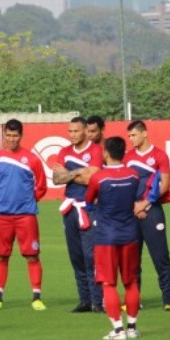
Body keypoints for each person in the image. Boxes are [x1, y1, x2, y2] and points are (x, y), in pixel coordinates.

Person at [0, 119, 48, 311]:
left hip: (25, 216)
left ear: (21, 136)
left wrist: (27, 202)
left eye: (15, 136)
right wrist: (4, 202)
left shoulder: (32, 159)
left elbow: (41, 186)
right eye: (9, 135)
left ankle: (36, 297)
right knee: (2, 256)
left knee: (32, 256)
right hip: (2, 216)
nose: (12, 139)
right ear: (4, 135)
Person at [85, 136, 141, 340]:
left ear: (106, 153)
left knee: (109, 283)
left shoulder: (98, 178)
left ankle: (118, 330)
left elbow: (89, 202)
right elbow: (136, 198)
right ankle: (133, 328)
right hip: (130, 234)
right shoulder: (133, 175)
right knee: (130, 281)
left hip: (106, 236)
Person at [53, 117, 104, 313]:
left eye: (76, 131)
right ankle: (84, 300)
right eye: (70, 131)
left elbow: (94, 178)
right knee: (76, 256)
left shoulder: (95, 150)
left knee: (91, 255)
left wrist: (70, 173)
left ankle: (97, 301)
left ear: (84, 131)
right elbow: (57, 178)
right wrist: (80, 173)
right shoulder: (64, 152)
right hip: (69, 209)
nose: (72, 134)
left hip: (89, 208)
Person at [124, 120, 170, 310]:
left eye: (134, 135)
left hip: (152, 210)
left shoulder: (159, 155)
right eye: (129, 136)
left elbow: (164, 185)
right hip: (131, 212)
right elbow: (123, 183)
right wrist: (133, 207)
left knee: (160, 256)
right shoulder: (127, 157)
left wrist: (144, 204)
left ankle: (167, 299)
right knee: (132, 258)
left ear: (145, 134)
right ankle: (134, 299)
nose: (131, 139)